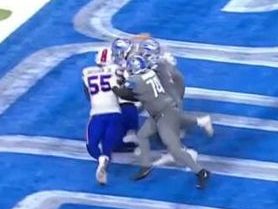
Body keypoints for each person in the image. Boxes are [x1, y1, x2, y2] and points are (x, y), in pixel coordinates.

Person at [113, 54, 211, 189]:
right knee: (142, 135)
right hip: (162, 110)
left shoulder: (136, 80)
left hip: (164, 115)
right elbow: (138, 95)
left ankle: (201, 172)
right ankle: (145, 166)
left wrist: (114, 85)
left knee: (175, 149)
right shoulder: (149, 73)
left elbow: (125, 94)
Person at [82, 47, 124, 185]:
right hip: (115, 112)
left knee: (91, 145)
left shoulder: (87, 73)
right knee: (109, 144)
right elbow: (123, 90)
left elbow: (88, 94)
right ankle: (105, 158)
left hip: (97, 113)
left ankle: (100, 159)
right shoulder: (116, 71)